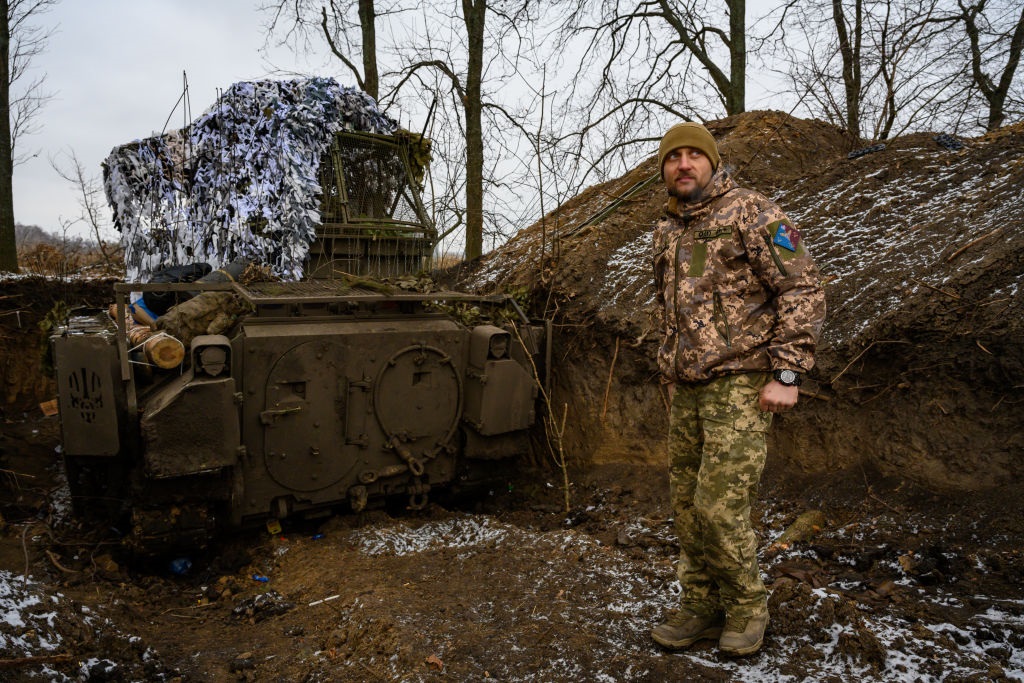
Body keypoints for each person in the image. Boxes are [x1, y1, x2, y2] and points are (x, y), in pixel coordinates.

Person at [649, 122, 826, 656]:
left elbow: (803, 286)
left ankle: (748, 608)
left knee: (720, 508)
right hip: (687, 390)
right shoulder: (667, 229)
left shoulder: (753, 211)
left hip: (741, 384)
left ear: (713, 162)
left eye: (694, 155)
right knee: (686, 507)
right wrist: (669, 370)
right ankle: (701, 606)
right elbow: (669, 310)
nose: (683, 164)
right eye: (673, 157)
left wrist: (787, 373)